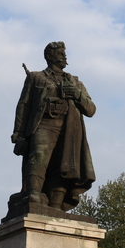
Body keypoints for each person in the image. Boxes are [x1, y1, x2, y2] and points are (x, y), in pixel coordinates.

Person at [11, 41, 96, 211]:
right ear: (49, 56)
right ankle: (34, 194)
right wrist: (18, 132)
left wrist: (76, 94)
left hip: (69, 130)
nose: (64, 57)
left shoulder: (75, 81)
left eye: (65, 54)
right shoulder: (36, 77)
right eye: (60, 54)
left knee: (63, 165)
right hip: (44, 124)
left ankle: (56, 204)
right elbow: (24, 105)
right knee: (39, 157)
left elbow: (91, 110)